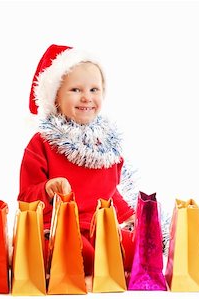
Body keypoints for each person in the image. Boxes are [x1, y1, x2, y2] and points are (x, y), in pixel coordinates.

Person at [17, 44, 136, 281]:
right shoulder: (42, 143)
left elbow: (111, 193)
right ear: (56, 98)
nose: (87, 97)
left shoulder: (105, 145)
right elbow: (26, 197)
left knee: (137, 246)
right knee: (67, 251)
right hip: (60, 229)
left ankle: (112, 266)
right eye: (75, 89)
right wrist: (47, 189)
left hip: (99, 229)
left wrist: (132, 217)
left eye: (94, 89)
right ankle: (84, 272)